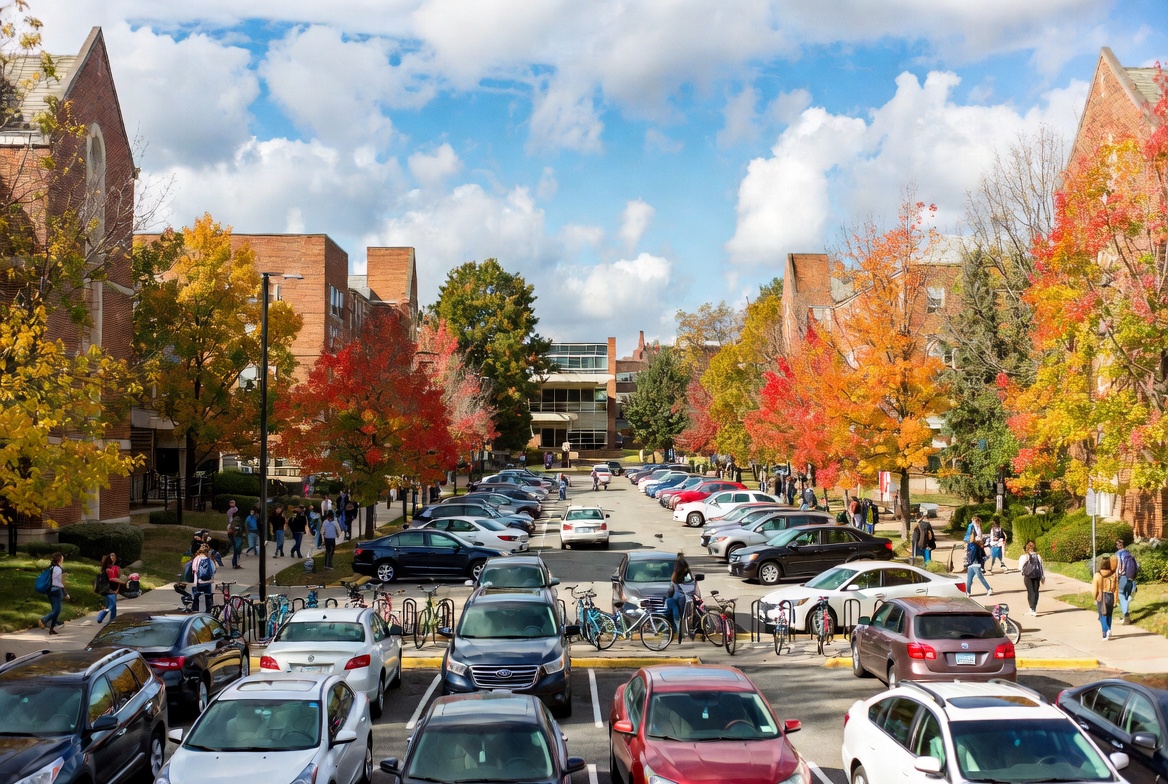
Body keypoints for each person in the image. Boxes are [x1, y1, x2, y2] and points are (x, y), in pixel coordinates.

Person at [663, 554, 693, 641]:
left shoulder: (674, 578)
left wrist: (667, 597)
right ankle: (678, 628)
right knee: (680, 615)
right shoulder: (686, 578)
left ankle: (672, 629)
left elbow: (670, 590)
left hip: (676, 597)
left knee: (672, 612)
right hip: (683, 599)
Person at [38, 552, 69, 635]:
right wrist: (65, 593)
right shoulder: (58, 569)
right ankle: (44, 620)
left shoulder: (50, 567)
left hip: (49, 590)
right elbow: (59, 583)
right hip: (56, 591)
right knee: (57, 610)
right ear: (60, 559)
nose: (63, 559)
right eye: (62, 558)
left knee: (55, 610)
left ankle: (52, 629)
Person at [1093, 554, 1119, 640]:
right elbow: (1116, 588)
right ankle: (1109, 630)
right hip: (1110, 595)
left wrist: (1095, 597)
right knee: (1109, 614)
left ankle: (1105, 631)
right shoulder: (1113, 574)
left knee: (1102, 615)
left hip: (1101, 595)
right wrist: (1115, 600)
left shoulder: (1097, 574)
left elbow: (1094, 589)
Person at [1018, 540, 1045, 616]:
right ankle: (1034, 608)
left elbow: (1020, 567)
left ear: (1026, 548)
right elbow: (1041, 567)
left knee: (1030, 592)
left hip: (1028, 576)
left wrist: (1023, 571)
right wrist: (1042, 576)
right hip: (1037, 575)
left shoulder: (1024, 556)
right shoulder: (1038, 556)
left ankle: (1032, 609)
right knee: (1036, 591)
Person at [1115, 539, 1138, 625]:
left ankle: (1126, 616)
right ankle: (1126, 608)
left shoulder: (1117, 555)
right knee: (1127, 595)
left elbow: (1116, 569)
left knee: (1122, 596)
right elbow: (1137, 566)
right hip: (1130, 577)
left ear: (1117, 546)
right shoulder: (1129, 554)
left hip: (1121, 578)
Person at [96, 553, 122, 624]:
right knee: (112, 605)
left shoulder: (115, 567)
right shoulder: (108, 569)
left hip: (112, 588)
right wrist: (124, 582)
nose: (113, 559)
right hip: (109, 589)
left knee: (110, 605)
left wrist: (118, 589)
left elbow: (118, 578)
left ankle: (102, 618)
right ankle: (105, 618)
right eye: (111, 557)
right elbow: (113, 579)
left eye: (114, 557)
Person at [191, 544, 216, 613]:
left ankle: (195, 612)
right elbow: (214, 570)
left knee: (196, 598)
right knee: (208, 598)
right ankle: (209, 613)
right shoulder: (209, 560)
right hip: (208, 582)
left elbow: (194, 570)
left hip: (199, 582)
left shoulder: (196, 559)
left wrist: (194, 583)